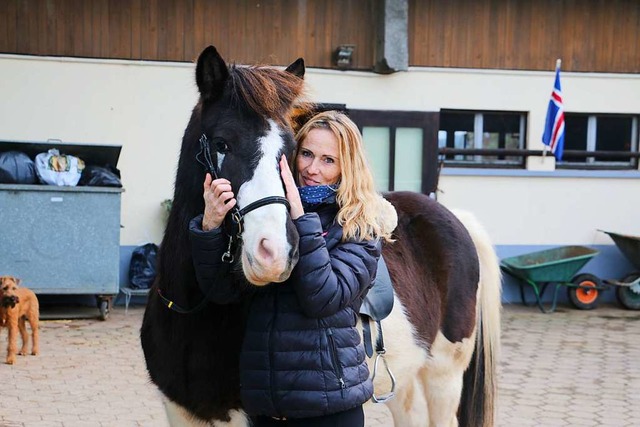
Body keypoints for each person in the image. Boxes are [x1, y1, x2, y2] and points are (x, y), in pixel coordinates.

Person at [189, 111, 395, 426]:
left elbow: (322, 298)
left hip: (329, 409)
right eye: (307, 154)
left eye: (329, 160)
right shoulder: (267, 216)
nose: (312, 169)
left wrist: (301, 218)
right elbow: (222, 292)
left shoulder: (360, 227)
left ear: (347, 168)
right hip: (266, 407)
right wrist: (210, 227)